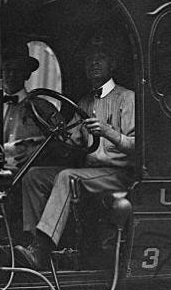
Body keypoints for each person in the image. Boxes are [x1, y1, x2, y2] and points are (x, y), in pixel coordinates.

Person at [16, 37, 135, 269]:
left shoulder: (127, 98)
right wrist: (55, 128)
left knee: (67, 177)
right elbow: (74, 140)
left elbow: (136, 146)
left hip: (119, 174)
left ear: (112, 65)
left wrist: (109, 132)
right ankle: (31, 241)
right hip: (91, 173)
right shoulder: (85, 102)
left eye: (100, 59)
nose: (94, 64)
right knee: (35, 176)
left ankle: (42, 249)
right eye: (89, 60)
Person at [0, 44, 48, 170]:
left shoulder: (42, 108)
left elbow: (59, 144)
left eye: (17, 70)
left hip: (28, 176)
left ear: (26, 74)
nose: (11, 75)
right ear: (0, 73)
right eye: (7, 69)